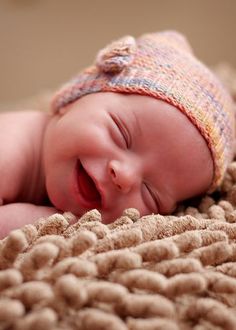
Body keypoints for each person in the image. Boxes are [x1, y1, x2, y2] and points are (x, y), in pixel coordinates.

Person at [0, 31, 234, 238]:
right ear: (77, 96)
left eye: (151, 194)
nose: (125, 176)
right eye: (121, 135)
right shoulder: (9, 144)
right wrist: (45, 221)